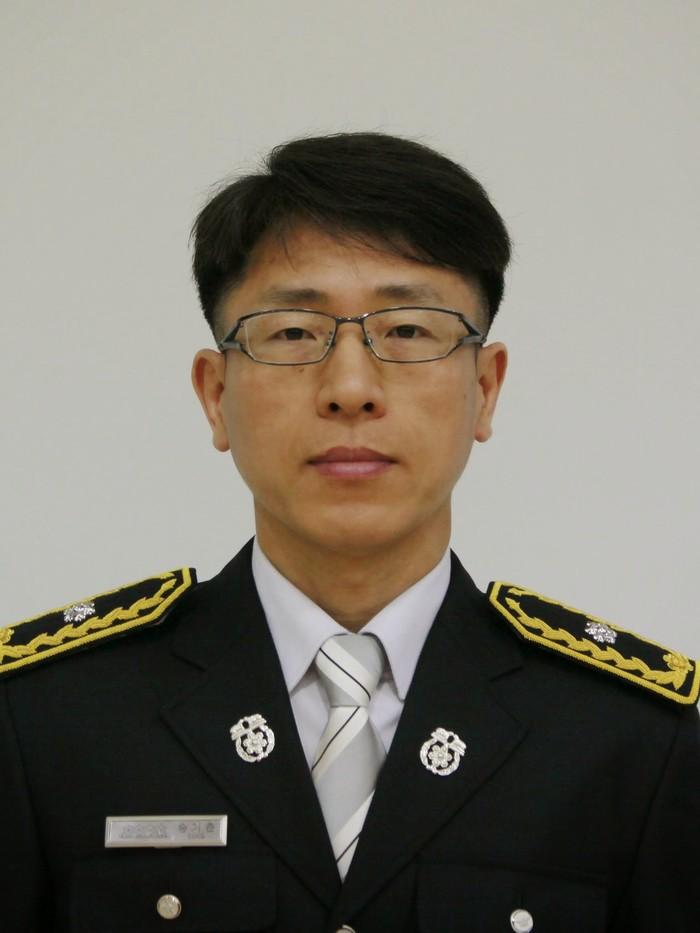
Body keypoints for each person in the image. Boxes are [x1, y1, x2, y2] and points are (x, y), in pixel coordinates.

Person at [1, 132, 698, 932]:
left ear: (486, 386)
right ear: (215, 393)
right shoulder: (47, 720)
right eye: (294, 332)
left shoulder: (630, 740)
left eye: (408, 330)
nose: (351, 388)